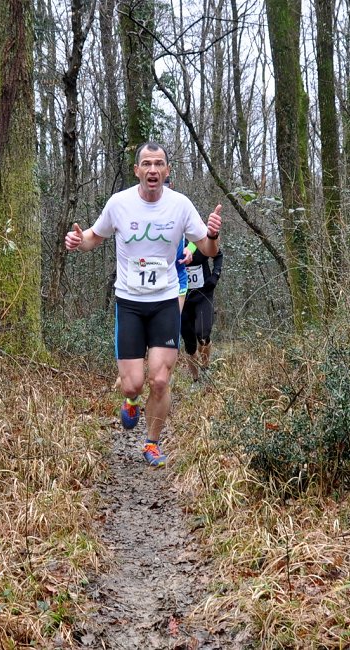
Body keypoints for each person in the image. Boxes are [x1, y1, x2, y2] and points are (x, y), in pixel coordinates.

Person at [65, 141, 222, 467]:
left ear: (167, 170)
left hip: (165, 301)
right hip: (130, 303)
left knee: (160, 380)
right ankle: (132, 399)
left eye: (159, 164)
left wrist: (212, 235)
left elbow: (207, 249)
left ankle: (152, 443)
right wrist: (79, 241)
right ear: (137, 170)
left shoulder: (180, 205)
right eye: (147, 164)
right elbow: (95, 236)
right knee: (132, 384)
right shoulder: (119, 204)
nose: (153, 170)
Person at [180, 244, 223, 382]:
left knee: (203, 334)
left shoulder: (199, 238)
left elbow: (218, 255)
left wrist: (215, 276)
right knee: (189, 344)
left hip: (203, 293)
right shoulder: (173, 239)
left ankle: (205, 368)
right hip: (181, 297)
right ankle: (195, 379)